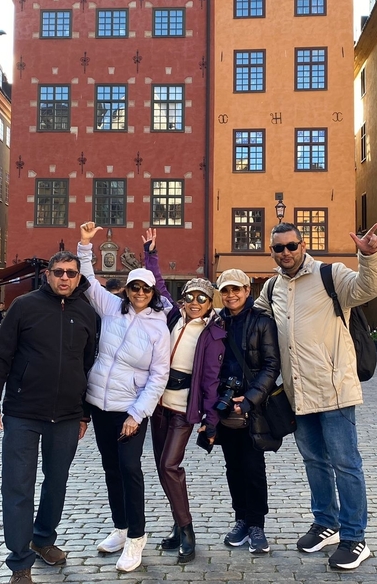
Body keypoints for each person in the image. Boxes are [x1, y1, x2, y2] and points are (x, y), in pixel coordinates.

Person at [254, 222, 377, 570]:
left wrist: (369, 256)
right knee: (314, 461)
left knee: (346, 463)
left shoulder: (331, 274)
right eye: (278, 248)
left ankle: (355, 538)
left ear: (303, 245)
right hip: (297, 392)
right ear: (272, 252)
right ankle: (327, 523)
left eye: (291, 246)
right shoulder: (271, 287)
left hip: (334, 388)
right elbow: (254, 322)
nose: (285, 252)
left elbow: (367, 288)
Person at [0, 250, 99, 583]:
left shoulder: (87, 313)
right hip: (23, 412)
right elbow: (0, 357)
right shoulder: (24, 306)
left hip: (67, 415)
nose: (65, 278)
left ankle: (43, 538)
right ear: (48, 274)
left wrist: (84, 413)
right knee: (18, 486)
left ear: (78, 278)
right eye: (58, 272)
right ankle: (20, 562)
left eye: (71, 273)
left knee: (57, 483)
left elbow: (87, 365)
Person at [77, 222, 170, 572]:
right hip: (101, 405)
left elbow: (158, 376)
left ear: (152, 291)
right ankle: (120, 527)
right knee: (111, 468)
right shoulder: (112, 308)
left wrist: (137, 414)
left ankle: (136, 538)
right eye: (134, 287)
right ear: (127, 289)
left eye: (145, 288)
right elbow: (88, 280)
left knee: (130, 469)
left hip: (129, 409)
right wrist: (85, 245)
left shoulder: (158, 327)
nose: (139, 293)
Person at [142, 228, 225, 564]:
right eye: (190, 296)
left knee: (170, 465)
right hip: (159, 405)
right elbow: (159, 286)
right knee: (163, 468)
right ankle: (178, 526)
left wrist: (211, 420)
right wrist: (151, 255)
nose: (194, 302)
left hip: (182, 409)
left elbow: (211, 381)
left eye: (201, 298)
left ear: (210, 303)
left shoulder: (213, 333)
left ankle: (187, 529)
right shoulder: (174, 316)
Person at [215, 268, 280, 556]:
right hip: (225, 405)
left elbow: (271, 366)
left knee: (253, 467)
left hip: (254, 406)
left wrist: (251, 398)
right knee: (233, 467)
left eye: (236, 289)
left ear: (246, 290)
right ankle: (241, 519)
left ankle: (256, 525)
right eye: (225, 290)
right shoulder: (217, 323)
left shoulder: (263, 322)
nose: (231, 295)